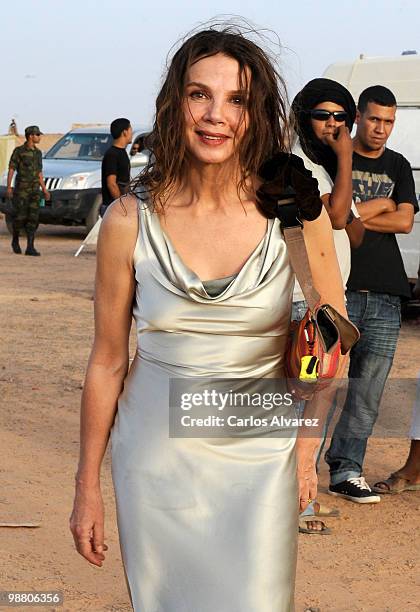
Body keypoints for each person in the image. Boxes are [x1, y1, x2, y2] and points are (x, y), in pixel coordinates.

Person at [70, 27, 347, 611]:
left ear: (258, 111)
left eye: (237, 99)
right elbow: (107, 360)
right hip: (155, 458)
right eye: (200, 95)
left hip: (261, 450)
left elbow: (333, 345)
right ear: (176, 104)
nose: (215, 115)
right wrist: (86, 486)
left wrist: (303, 448)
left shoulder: (294, 211)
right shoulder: (128, 220)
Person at [325, 85, 419, 503]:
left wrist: (357, 213)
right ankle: (292, 467)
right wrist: (376, 204)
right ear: (358, 117)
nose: (382, 129)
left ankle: (346, 469)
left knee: (366, 394)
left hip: (385, 292)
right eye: (375, 119)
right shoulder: (332, 160)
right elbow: (330, 214)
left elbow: (404, 223)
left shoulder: (399, 165)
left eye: (389, 122)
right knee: (311, 384)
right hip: (335, 287)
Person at [290, 78, 362, 535]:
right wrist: (347, 155)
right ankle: (293, 498)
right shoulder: (297, 165)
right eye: (324, 115)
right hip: (307, 303)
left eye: (341, 117)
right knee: (300, 398)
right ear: (305, 116)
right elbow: (338, 219)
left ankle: (301, 492)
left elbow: (353, 233)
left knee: (320, 397)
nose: (334, 125)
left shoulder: (325, 167)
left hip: (332, 305)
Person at [6, 125, 50, 256]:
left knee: (33, 217)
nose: (39, 137)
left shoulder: (38, 153)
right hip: (22, 190)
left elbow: (39, 172)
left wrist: (44, 189)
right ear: (30, 136)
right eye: (37, 135)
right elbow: (12, 169)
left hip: (34, 191)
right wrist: (9, 187)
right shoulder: (19, 151)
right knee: (20, 217)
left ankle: (30, 247)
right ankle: (15, 240)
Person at [100, 118, 132, 217]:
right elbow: (111, 183)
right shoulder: (112, 154)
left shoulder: (122, 152)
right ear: (125, 132)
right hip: (112, 207)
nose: (132, 133)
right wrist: (121, 205)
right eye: (131, 129)